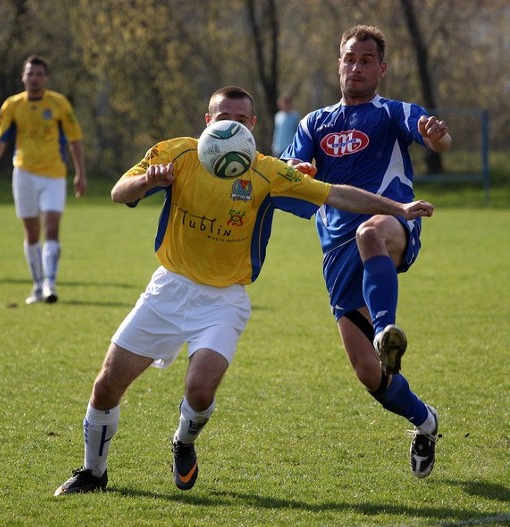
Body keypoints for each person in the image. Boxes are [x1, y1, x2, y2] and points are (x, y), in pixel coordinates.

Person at [53, 85, 435, 495]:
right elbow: (118, 191)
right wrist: (147, 181)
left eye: (240, 120)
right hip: (168, 289)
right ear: (207, 122)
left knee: (199, 392)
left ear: (253, 126)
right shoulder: (176, 154)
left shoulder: (266, 170)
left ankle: (184, 440)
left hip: (224, 300)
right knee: (107, 385)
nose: (231, 127)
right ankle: (93, 472)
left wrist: (397, 209)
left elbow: (333, 194)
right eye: (223, 119)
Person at [281, 25, 452, 479]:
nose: (356, 67)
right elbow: (287, 179)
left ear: (381, 67)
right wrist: (292, 170)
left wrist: (436, 137)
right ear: (339, 64)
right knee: (369, 375)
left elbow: (435, 136)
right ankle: (425, 421)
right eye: (349, 59)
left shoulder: (391, 112)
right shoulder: (313, 123)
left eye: (365, 60)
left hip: (393, 224)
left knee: (370, 233)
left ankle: (385, 330)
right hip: (335, 253)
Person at [0, 55, 87, 304]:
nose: (34, 78)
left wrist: (80, 173)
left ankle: (50, 283)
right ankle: (38, 285)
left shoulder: (59, 103)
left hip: (53, 175)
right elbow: (0, 137)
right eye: (30, 73)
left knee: (51, 228)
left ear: (46, 78)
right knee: (31, 232)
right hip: (24, 173)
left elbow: (75, 139)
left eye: (39, 74)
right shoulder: (13, 105)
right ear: (23, 77)